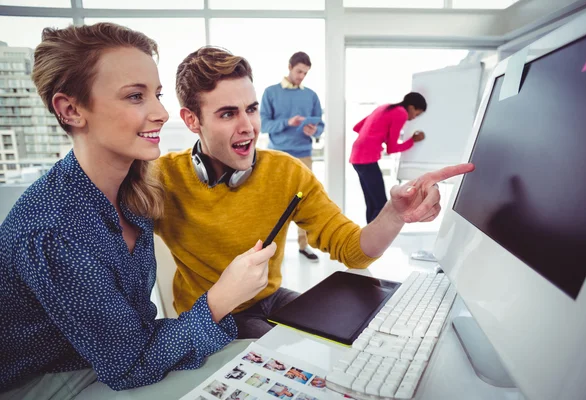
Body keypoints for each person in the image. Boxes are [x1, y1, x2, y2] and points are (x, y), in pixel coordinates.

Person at [0, 24, 276, 398]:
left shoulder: (135, 190)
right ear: (71, 110)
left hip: (111, 358)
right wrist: (222, 298)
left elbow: (133, 338)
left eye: (157, 94)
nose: (161, 113)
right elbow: (130, 365)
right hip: (44, 379)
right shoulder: (54, 230)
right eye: (135, 96)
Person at [154, 46, 474, 340]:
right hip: (214, 316)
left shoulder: (286, 171)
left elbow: (353, 251)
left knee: (352, 333)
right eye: (227, 114)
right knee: (287, 348)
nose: (248, 126)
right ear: (192, 120)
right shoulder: (162, 178)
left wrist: (395, 213)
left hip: (270, 297)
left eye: (250, 109)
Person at [260, 51, 324, 262]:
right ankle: (271, 251)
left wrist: (313, 131)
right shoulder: (271, 92)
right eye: (299, 71)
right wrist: (288, 122)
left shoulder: (311, 95)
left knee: (304, 201)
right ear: (289, 67)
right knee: (275, 203)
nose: (301, 76)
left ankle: (304, 246)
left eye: (305, 73)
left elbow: (320, 126)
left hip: (303, 155)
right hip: (276, 155)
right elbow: (264, 125)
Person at [350, 92, 428, 223]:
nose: (414, 118)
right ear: (411, 107)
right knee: (380, 204)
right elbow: (392, 149)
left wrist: (379, 136)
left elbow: (357, 127)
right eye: (417, 113)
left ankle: (369, 239)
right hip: (367, 158)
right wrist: (412, 140)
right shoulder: (401, 113)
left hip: (357, 157)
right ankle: (375, 239)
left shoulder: (385, 107)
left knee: (372, 202)